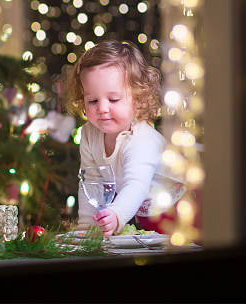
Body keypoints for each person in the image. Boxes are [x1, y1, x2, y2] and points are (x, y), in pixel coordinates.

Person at [65, 40, 186, 236]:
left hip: (175, 208)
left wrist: (117, 213)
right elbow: (91, 183)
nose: (102, 108)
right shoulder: (88, 134)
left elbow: (136, 185)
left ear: (138, 99)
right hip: (141, 210)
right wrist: (85, 229)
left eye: (113, 99)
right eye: (92, 100)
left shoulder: (142, 139)